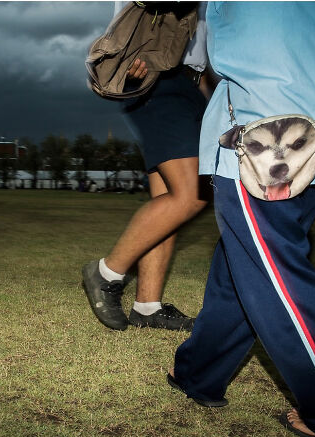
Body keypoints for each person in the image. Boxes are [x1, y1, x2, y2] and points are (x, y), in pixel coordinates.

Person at [168, 1, 315, 437]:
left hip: (251, 147)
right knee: (241, 272)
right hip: (312, 141)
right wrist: (310, 82)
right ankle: (198, 373)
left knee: (280, 280)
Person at [82, 2, 214, 331]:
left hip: (190, 83)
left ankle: (147, 307)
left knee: (169, 199)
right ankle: (107, 273)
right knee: (193, 194)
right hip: (156, 75)